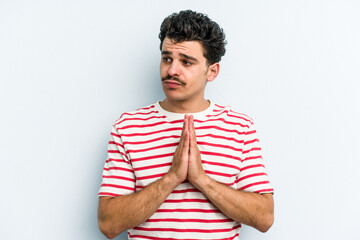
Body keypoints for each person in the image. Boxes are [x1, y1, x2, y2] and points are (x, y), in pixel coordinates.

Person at [97, 10, 274, 240]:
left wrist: (202, 180)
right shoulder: (128, 127)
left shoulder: (239, 127)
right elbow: (108, 224)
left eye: (186, 62)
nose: (171, 70)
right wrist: (171, 178)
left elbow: (264, 218)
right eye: (167, 58)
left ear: (212, 71)